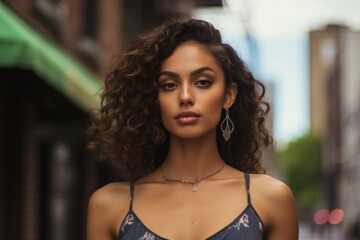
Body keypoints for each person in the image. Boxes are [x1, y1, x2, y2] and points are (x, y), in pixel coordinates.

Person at [86, 18, 299, 240]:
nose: (185, 96)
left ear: (229, 95)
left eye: (203, 82)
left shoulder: (270, 200)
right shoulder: (110, 206)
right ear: (154, 99)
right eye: (169, 85)